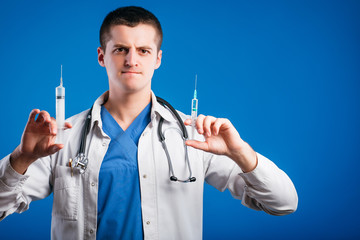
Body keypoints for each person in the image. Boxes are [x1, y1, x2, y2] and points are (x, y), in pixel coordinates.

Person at [0, 6, 298, 240]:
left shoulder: (196, 136)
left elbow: (284, 204)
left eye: (143, 50)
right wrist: (21, 159)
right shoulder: (61, 138)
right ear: (102, 56)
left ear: (158, 58)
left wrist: (241, 153)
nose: (132, 60)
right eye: (120, 50)